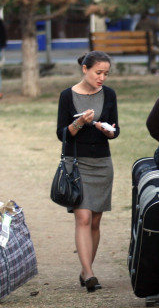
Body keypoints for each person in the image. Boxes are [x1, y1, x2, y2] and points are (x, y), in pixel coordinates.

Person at [56, 51, 119, 293]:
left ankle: (85, 270)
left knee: (95, 220)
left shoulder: (109, 95)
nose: (102, 77)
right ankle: (90, 273)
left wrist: (109, 131)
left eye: (106, 73)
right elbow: (61, 133)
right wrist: (79, 123)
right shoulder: (67, 96)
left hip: (102, 162)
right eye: (98, 72)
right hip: (77, 162)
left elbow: (115, 129)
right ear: (85, 69)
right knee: (82, 217)